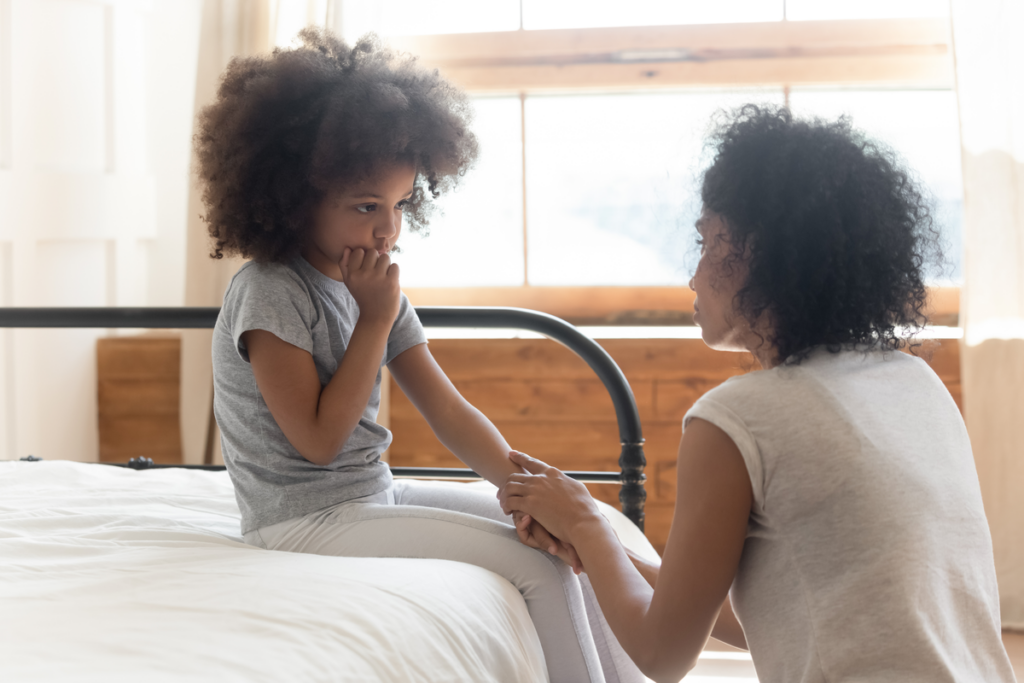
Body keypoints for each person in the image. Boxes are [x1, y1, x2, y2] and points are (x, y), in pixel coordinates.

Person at [498, 105, 1018, 683]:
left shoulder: (736, 418)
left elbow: (663, 655)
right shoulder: (913, 381)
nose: (693, 275)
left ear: (762, 254)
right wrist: (600, 553)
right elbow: (799, 610)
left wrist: (588, 522)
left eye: (707, 241)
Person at [198, 27, 642, 683]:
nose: (388, 228)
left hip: (369, 495)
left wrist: (521, 487)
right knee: (534, 563)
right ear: (294, 199)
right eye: (366, 206)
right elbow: (319, 440)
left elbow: (448, 409)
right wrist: (373, 320)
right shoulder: (271, 292)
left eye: (401, 204)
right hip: (298, 522)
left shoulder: (372, 283)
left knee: (577, 531)